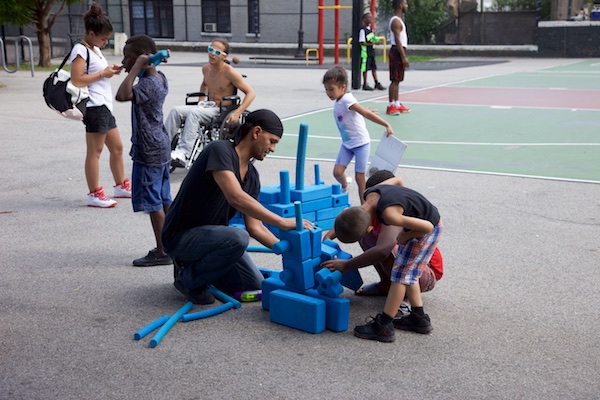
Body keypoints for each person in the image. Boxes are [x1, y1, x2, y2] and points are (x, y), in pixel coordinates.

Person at [161, 109, 314, 304]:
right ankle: (187, 278)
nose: (273, 148)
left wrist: (293, 253)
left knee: (255, 284)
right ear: (256, 132)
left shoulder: (252, 177)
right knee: (238, 237)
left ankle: (200, 268)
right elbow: (235, 197)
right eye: (272, 141)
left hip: (211, 238)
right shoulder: (219, 151)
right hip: (180, 237)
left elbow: (255, 227)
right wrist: (282, 222)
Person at [322, 182, 442, 342]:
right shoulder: (369, 195)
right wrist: (328, 238)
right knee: (408, 272)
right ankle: (419, 318)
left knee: (400, 276)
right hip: (417, 226)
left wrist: (405, 237)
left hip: (427, 230)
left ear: (369, 230)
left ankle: (383, 326)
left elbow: (427, 227)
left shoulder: (389, 215)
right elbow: (397, 180)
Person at [115, 35, 173, 267]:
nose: (124, 61)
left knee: (154, 203)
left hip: (149, 150)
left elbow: (122, 95)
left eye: (127, 56)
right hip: (159, 146)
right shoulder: (160, 77)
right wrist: (141, 66)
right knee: (164, 198)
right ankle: (173, 242)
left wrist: (136, 67)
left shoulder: (148, 84)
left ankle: (162, 251)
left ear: (142, 58)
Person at [70, 2, 131, 208]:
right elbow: (77, 79)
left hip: (104, 106)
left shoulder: (94, 49)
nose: (105, 42)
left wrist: (109, 70)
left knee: (118, 147)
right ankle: (94, 193)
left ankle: (121, 186)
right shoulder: (80, 50)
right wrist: (102, 74)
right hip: (94, 106)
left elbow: (97, 73)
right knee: (94, 151)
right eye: (103, 38)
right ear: (91, 33)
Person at [165, 38, 255, 167]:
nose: (212, 54)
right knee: (176, 110)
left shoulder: (230, 72)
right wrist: (200, 102)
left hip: (222, 110)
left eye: (217, 52)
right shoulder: (206, 68)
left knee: (194, 114)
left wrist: (237, 113)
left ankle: (184, 153)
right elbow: (204, 85)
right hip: (208, 107)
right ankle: (162, 146)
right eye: (211, 50)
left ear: (224, 56)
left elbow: (251, 93)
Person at [322, 65, 394, 202]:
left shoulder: (347, 100)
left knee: (359, 177)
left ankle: (364, 207)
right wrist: (360, 113)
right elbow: (356, 112)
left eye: (331, 89)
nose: (328, 93)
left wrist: (386, 124)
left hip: (361, 144)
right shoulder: (340, 99)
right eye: (326, 89)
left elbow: (364, 112)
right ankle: (345, 184)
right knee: (337, 172)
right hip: (347, 144)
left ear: (343, 87)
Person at [386, 0, 411, 115]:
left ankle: (397, 103)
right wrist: (403, 56)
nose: (407, 6)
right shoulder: (396, 21)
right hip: (397, 51)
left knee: (398, 79)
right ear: (400, 5)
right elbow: (397, 40)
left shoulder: (399, 20)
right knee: (394, 79)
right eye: (405, 3)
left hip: (399, 50)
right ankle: (390, 105)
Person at [359, 12, 385, 91]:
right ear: (364, 19)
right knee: (365, 68)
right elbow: (361, 42)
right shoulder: (362, 30)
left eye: (371, 18)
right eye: (368, 18)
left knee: (374, 67)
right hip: (365, 53)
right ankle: (365, 83)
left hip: (371, 52)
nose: (370, 19)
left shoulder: (371, 29)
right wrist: (371, 44)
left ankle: (376, 83)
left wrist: (376, 41)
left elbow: (373, 38)